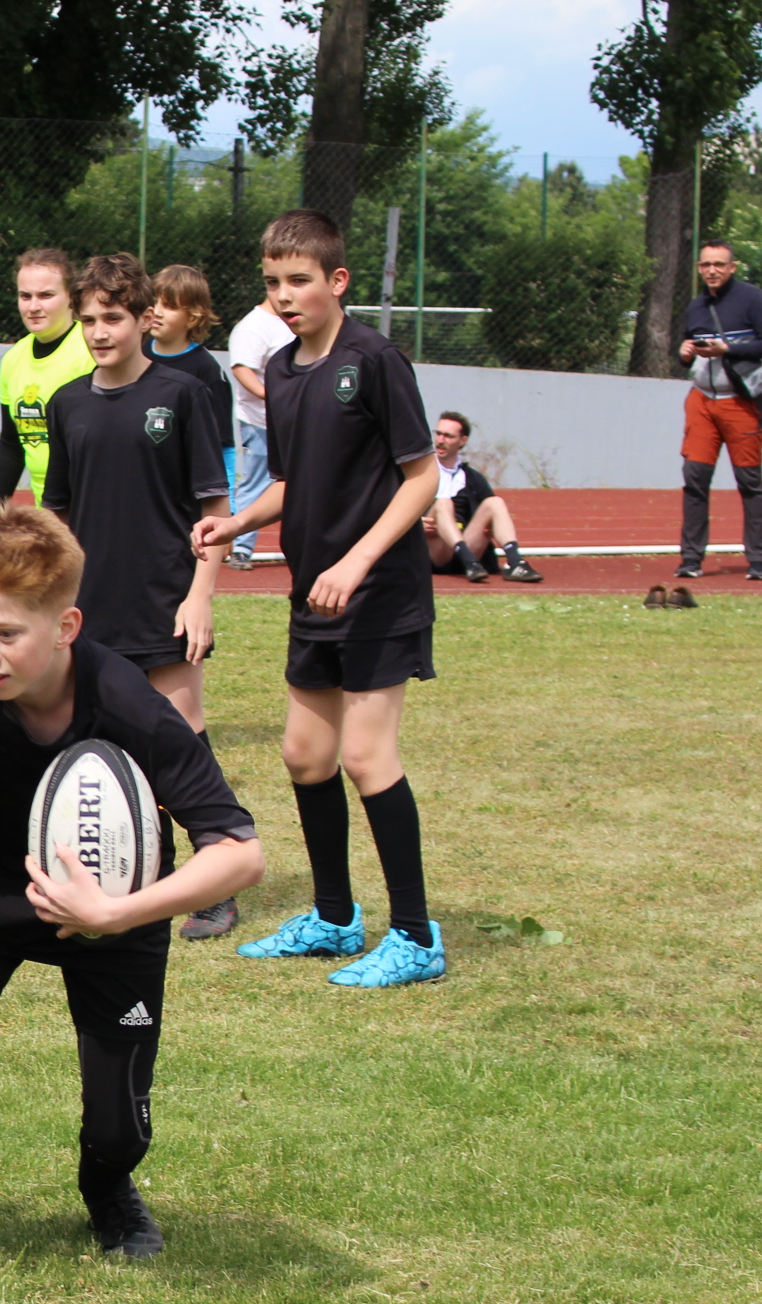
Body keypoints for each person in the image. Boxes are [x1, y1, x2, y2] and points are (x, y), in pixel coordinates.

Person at [0, 502, 263, 1260]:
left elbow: (239, 854)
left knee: (118, 1126)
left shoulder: (132, 706)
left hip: (115, 915)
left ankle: (109, 1191)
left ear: (66, 626)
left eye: (8, 634)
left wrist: (119, 913)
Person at [192, 209, 446, 989]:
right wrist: (238, 520)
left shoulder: (375, 360)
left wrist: (359, 560)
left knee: (367, 757)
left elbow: (422, 477)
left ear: (337, 281)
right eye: (272, 282)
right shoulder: (284, 373)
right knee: (305, 756)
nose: (284, 295)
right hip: (315, 594)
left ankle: (416, 937)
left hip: (378, 592)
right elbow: (291, 482)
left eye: (298, 280)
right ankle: (335, 918)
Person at [42, 252, 239, 941]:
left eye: (113, 318)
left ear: (144, 318)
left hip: (164, 599)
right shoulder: (67, 403)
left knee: (180, 737)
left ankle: (217, 878)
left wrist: (200, 597)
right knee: (100, 745)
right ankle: (135, 876)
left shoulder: (181, 394)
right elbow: (58, 517)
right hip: (91, 607)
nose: (100, 331)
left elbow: (213, 508)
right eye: (89, 319)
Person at [677, 240, 762, 583]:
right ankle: (691, 559)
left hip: (741, 402)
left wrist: (728, 348)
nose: (712, 271)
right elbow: (688, 351)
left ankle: (758, 561)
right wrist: (684, 353)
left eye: (719, 264)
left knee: (749, 481)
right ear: (699, 268)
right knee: (694, 477)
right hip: (702, 400)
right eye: (706, 264)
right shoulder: (696, 306)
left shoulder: (752, 298)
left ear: (732, 267)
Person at [0, 248, 90, 504]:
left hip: (88, 502)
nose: (33, 307)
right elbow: (11, 445)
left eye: (46, 295)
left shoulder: (92, 351)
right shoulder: (13, 359)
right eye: (25, 296)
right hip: (47, 509)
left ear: (71, 297)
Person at [422, 411, 538, 584]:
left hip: (469, 549)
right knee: (443, 503)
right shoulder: (419, 473)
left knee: (495, 503)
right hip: (434, 550)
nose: (440, 440)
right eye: (438, 434)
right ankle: (469, 561)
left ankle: (515, 562)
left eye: (448, 436)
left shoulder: (473, 478)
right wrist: (416, 526)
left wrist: (491, 526)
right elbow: (394, 509)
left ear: (463, 441)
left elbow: (492, 517)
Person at [224, 295, 295, 570]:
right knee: (256, 482)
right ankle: (241, 549)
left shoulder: (296, 323)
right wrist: (274, 397)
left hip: (297, 422)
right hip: (261, 423)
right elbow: (242, 369)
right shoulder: (253, 326)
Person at [144, 263, 232, 464]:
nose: (157, 312)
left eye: (169, 306)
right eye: (154, 302)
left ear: (192, 318)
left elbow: (222, 443)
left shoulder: (206, 369)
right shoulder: (138, 354)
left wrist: (225, 484)